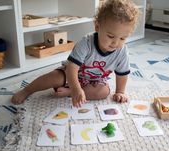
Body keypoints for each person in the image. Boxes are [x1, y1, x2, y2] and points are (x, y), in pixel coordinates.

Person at [11, 0, 139, 107]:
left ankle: (68, 93)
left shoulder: (122, 51)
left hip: (95, 81)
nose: (116, 43)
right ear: (97, 27)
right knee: (53, 77)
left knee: (104, 92)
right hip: (72, 74)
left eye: (123, 38)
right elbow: (72, 68)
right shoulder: (86, 43)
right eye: (111, 36)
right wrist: (75, 88)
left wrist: (120, 92)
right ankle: (27, 90)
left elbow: (122, 74)